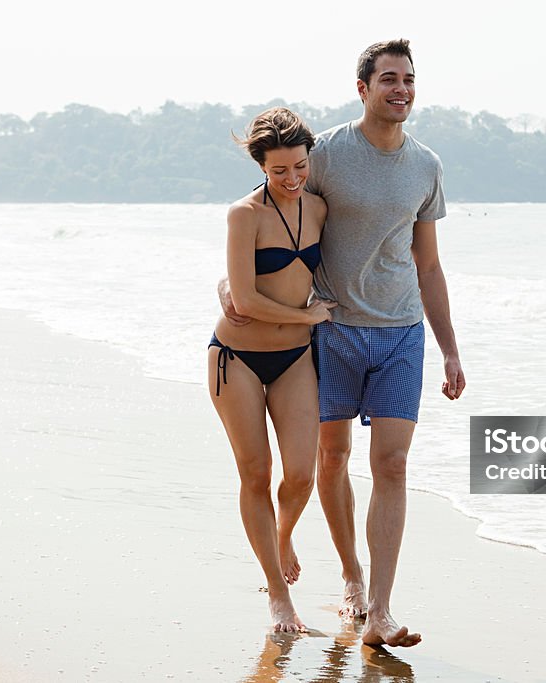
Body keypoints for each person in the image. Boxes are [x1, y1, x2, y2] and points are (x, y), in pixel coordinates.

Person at [221, 39, 466, 648]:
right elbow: (274, 205)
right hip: (331, 330)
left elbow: (429, 265)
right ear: (364, 89)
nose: (401, 89)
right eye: (388, 79)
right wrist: (230, 280)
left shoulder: (426, 166)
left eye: (409, 78)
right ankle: (351, 577)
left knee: (393, 463)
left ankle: (379, 611)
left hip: (402, 332)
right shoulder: (325, 153)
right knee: (331, 460)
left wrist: (451, 349)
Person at [208, 107, 335, 634]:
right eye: (279, 170)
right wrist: (306, 315)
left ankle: (281, 538)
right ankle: (279, 598)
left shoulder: (322, 208)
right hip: (236, 357)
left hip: (295, 359)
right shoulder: (244, 215)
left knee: (302, 474)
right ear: (261, 165)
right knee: (256, 472)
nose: (291, 179)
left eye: (300, 167)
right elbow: (244, 300)